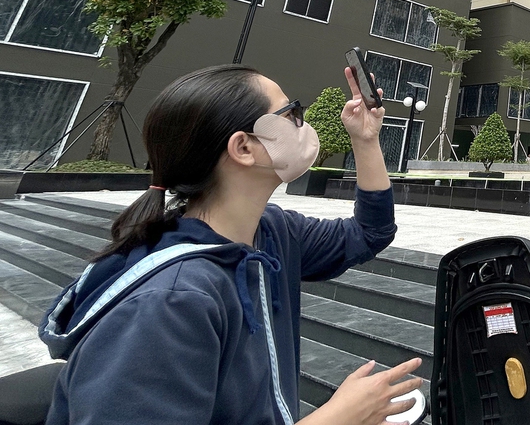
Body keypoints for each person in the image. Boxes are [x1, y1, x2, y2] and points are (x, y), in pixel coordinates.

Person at [39, 64, 422, 424]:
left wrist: (365, 140)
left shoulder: (272, 233)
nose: (302, 123)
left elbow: (369, 233)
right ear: (243, 148)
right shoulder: (170, 302)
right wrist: (334, 418)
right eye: (290, 113)